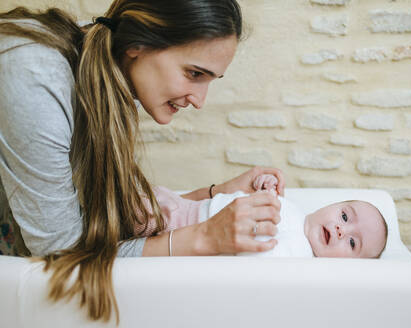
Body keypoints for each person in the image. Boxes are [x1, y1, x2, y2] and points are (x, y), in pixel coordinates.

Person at [0, 0, 285, 323]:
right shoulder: (36, 76)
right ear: (139, 44)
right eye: (194, 73)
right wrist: (204, 237)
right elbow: (62, 253)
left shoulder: (107, 74)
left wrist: (212, 195)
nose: (200, 101)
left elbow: (103, 217)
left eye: (210, 80)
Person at [137, 174, 388, 259]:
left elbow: (260, 256)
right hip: (187, 206)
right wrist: (264, 186)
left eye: (353, 243)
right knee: (138, 198)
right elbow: (254, 201)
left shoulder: (298, 251)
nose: (342, 230)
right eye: (344, 216)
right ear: (329, 206)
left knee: (130, 217)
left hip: (179, 227)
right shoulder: (297, 212)